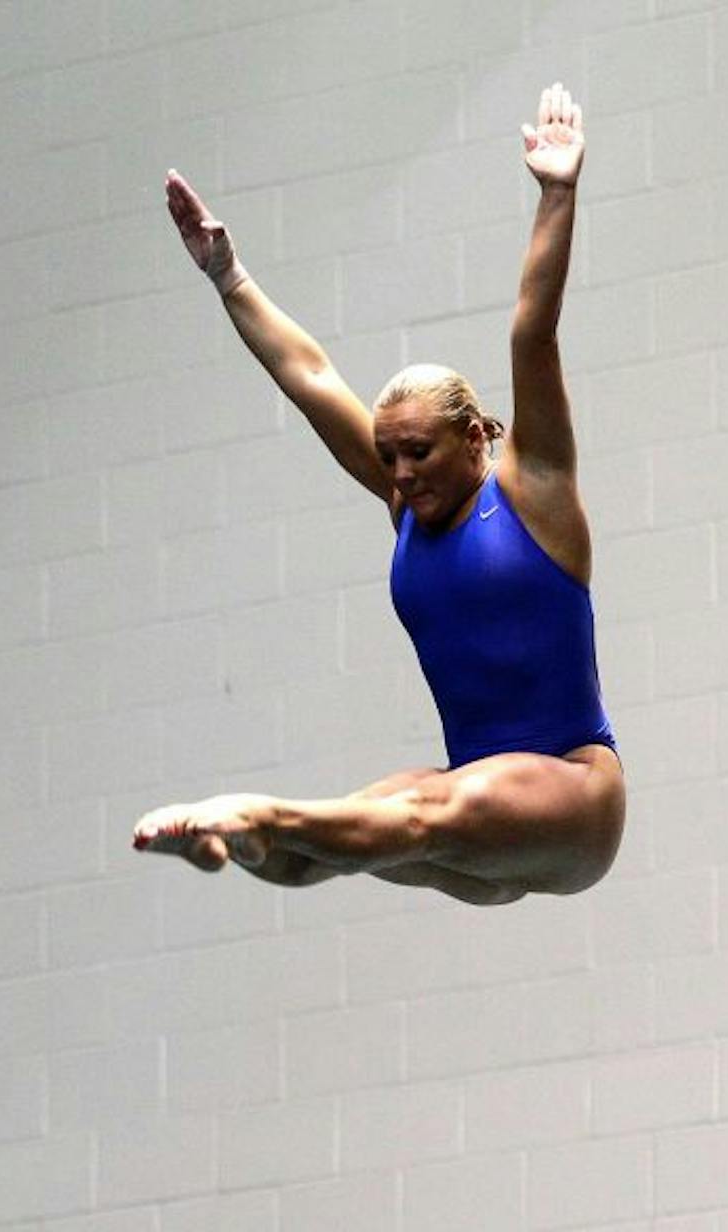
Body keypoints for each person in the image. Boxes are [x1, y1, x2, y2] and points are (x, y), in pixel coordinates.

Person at [133, 84, 623, 905]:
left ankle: (247, 809)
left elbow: (531, 330)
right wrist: (229, 275)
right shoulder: (408, 508)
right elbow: (310, 374)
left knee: (424, 809)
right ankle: (226, 844)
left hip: (571, 801)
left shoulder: (533, 489)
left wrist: (558, 193)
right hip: (482, 809)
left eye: (417, 453)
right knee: (353, 835)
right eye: (388, 457)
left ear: (475, 438)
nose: (398, 475)